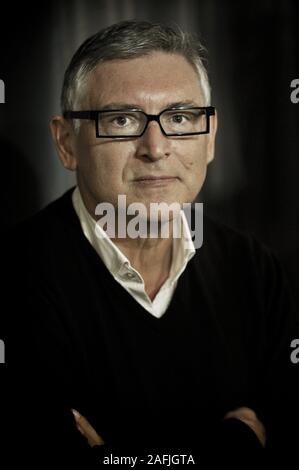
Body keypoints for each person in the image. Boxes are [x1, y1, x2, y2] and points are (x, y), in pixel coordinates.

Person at [5, 20, 298, 467]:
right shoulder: (12, 277)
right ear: (67, 144)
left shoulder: (257, 273)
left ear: (211, 136)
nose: (156, 147)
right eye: (122, 120)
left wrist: (115, 457)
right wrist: (233, 446)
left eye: (180, 118)